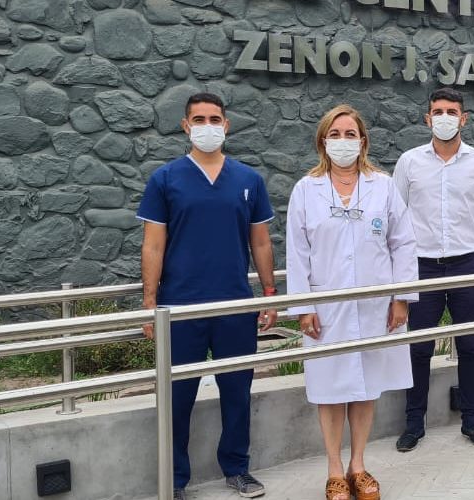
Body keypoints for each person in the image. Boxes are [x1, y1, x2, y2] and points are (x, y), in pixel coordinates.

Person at [137, 93, 277, 499]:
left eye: (215, 119)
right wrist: (149, 303)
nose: (207, 126)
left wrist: (268, 294)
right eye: (198, 119)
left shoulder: (248, 180)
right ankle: (175, 480)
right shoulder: (165, 179)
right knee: (177, 398)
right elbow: (153, 245)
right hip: (180, 307)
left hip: (235, 304)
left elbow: (261, 243)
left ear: (226, 125)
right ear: (186, 126)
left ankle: (237, 468)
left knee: (237, 393)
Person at [285, 104, 419, 500]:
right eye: (335, 134)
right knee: (329, 389)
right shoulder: (306, 189)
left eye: (350, 134)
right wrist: (304, 306)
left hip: (375, 305)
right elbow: (297, 252)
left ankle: (357, 465)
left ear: (363, 142)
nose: (343, 141)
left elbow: (403, 242)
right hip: (326, 308)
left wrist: (401, 298)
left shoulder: (383, 186)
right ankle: (334, 470)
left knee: (365, 387)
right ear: (322, 141)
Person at [393, 87, 474, 451]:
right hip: (421, 267)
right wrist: (397, 273)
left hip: (466, 265)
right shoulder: (409, 162)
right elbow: (396, 218)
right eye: (438, 111)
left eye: (451, 111)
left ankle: (471, 420)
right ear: (427, 118)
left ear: (464, 118)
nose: (445, 118)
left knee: (469, 345)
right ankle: (414, 423)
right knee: (418, 348)